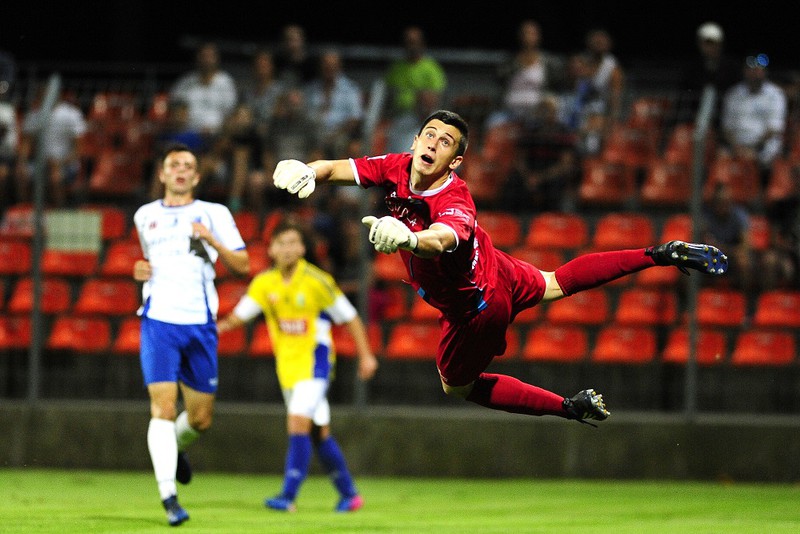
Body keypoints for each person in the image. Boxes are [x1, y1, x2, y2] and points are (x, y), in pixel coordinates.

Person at [271, 109, 729, 426]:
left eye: (446, 142)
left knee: (457, 387)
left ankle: (568, 407)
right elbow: (337, 168)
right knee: (554, 283)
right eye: (429, 134)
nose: (434, 143)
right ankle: (661, 254)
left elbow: (443, 239)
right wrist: (307, 168)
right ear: (415, 141)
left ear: (457, 160)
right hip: (497, 267)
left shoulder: (455, 197)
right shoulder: (396, 166)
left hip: (477, 305)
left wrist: (410, 239)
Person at [216, 220, 378, 513]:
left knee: (297, 423)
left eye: (294, 242)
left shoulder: (317, 281)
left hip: (315, 364)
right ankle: (350, 495)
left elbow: (351, 317)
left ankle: (288, 497)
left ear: (303, 248)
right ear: (272, 249)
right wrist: (216, 329)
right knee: (318, 432)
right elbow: (239, 316)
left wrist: (366, 355)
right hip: (288, 368)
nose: (288, 249)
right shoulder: (265, 283)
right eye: (282, 243)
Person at [133, 142, 250, 526]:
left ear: (197, 177)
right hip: (159, 322)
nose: (180, 170)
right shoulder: (144, 215)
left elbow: (243, 265)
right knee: (163, 409)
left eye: (188, 166)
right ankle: (169, 497)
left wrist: (212, 241)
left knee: (200, 419)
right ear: (163, 174)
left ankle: (175, 447)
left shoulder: (213, 213)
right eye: (173, 165)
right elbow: (149, 263)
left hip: (200, 323)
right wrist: (140, 271)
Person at [485, 19, 565, 130]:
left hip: (536, 113)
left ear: (538, 36)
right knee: (492, 124)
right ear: (520, 37)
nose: (528, 37)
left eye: (532, 33)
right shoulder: (510, 61)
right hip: (509, 112)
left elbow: (556, 86)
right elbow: (499, 80)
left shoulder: (547, 63)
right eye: (525, 33)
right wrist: (518, 64)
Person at [719, 53, 787, 181]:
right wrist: (738, 148)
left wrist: (752, 149)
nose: (754, 72)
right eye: (750, 69)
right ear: (744, 71)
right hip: (736, 146)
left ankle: (759, 196)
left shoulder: (775, 94)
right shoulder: (733, 94)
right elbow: (726, 128)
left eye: (758, 69)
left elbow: (774, 129)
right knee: (721, 157)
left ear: (765, 72)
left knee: (766, 157)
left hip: (763, 147)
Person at [18, 89, 87, 207]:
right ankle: (25, 211)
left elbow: (79, 150)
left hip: (66, 164)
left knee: (55, 177)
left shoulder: (71, 114)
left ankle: (58, 213)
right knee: (20, 174)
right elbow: (26, 144)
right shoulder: (34, 115)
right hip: (40, 163)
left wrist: (59, 162)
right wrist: (22, 163)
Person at [383, 26, 447, 154]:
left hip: (423, 120)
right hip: (398, 118)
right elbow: (387, 95)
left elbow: (432, 99)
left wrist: (421, 105)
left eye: (414, 42)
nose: (411, 46)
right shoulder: (396, 68)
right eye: (408, 42)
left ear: (422, 44)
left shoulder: (431, 68)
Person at [676, 22, 741, 126]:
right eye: (707, 43)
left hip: (726, 118)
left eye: (714, 43)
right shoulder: (691, 68)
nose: (710, 47)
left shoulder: (732, 67)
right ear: (699, 44)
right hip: (696, 118)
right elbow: (684, 97)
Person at [304, 48, 364, 159]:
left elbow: (355, 118)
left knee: (349, 147)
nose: (329, 68)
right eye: (326, 65)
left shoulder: (350, 89)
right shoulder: (310, 90)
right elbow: (304, 115)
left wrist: (335, 135)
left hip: (341, 135)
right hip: (314, 134)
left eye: (333, 65)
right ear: (320, 66)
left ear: (339, 66)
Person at [169, 41, 238, 138]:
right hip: (189, 133)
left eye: (210, 56)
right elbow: (174, 108)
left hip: (217, 135)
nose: (207, 60)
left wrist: (218, 130)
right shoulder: (185, 83)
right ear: (198, 57)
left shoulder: (226, 83)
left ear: (216, 58)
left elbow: (231, 114)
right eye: (204, 56)